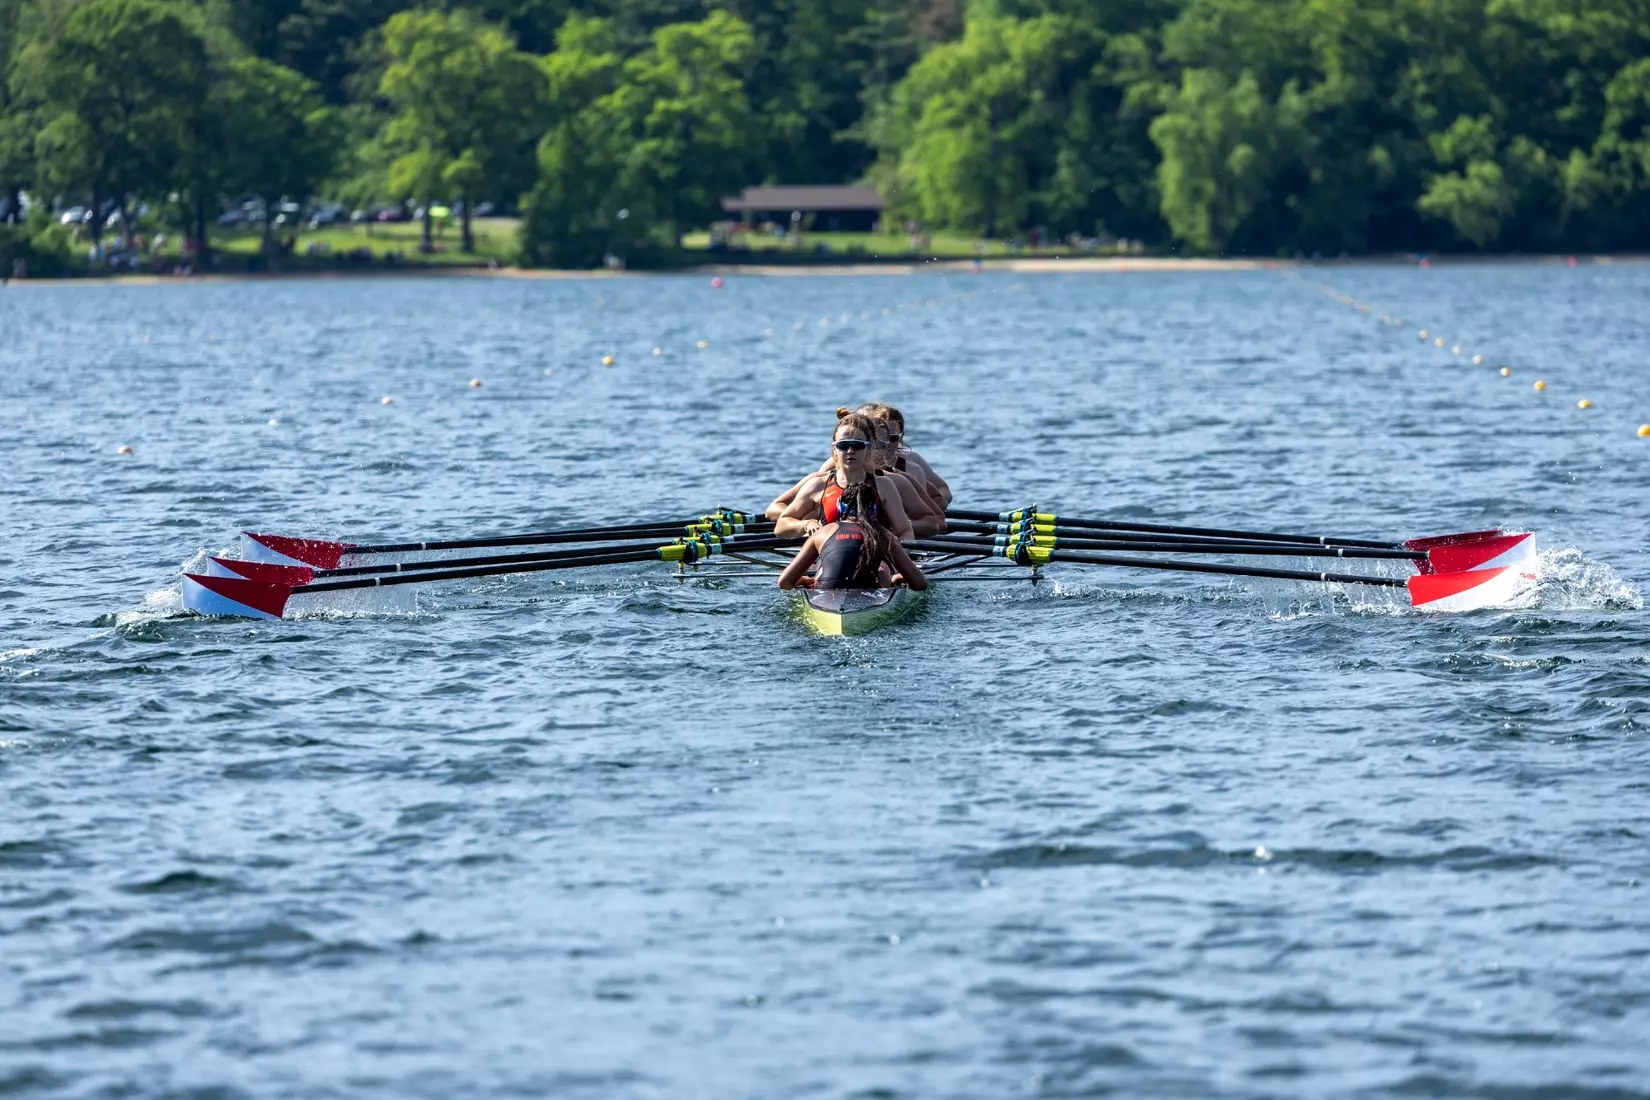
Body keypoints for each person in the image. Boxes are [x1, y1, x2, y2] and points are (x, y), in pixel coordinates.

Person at [767, 408, 946, 536]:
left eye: (890, 441)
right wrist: (806, 523)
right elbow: (778, 516)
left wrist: (898, 526)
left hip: (882, 553)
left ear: (869, 447)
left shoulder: (894, 482)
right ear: (835, 448)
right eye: (845, 445)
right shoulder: (820, 482)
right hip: (828, 551)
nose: (888, 449)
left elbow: (936, 523)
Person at [777, 480, 928, 592]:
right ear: (874, 509)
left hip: (826, 592)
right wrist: (898, 578)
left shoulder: (823, 532)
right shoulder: (884, 535)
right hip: (868, 593)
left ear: (839, 506)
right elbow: (920, 584)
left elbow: (784, 582)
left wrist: (804, 581)